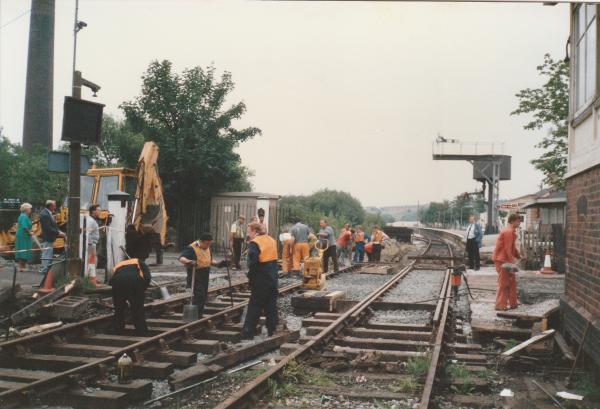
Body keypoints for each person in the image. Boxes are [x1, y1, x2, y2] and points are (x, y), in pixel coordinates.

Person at [242, 222, 279, 338]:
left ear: (254, 231)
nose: (248, 234)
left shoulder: (255, 243)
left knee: (255, 306)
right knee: (271, 305)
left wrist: (250, 277)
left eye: (249, 231)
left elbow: (253, 263)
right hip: (272, 278)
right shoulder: (272, 240)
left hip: (260, 278)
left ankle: (248, 333)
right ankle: (272, 330)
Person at [178, 233, 225, 318]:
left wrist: (219, 264)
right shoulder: (192, 248)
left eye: (210, 244)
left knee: (203, 296)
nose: (208, 246)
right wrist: (190, 262)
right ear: (201, 242)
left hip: (205, 274)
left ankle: (199, 315)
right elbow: (181, 258)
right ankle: (194, 316)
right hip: (196, 274)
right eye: (207, 244)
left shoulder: (207, 247)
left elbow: (209, 260)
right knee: (199, 295)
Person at [109, 257, 151, 335]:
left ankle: (118, 328)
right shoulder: (141, 262)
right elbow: (147, 277)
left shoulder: (119, 264)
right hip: (135, 280)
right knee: (137, 307)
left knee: (118, 307)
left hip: (117, 281)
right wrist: (143, 289)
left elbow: (111, 280)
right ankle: (141, 330)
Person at [492, 213, 521, 311]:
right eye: (518, 221)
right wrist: (512, 263)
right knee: (504, 283)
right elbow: (508, 249)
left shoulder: (510, 231)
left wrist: (519, 256)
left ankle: (513, 304)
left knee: (511, 282)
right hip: (502, 260)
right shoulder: (508, 232)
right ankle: (500, 305)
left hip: (504, 259)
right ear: (513, 221)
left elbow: (512, 248)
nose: (519, 222)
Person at [39, 200, 65, 279]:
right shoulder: (45, 215)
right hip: (48, 237)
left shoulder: (47, 213)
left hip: (49, 237)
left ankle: (46, 268)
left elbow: (52, 225)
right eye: (54, 205)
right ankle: (45, 269)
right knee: (47, 253)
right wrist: (58, 233)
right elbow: (48, 228)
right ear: (50, 206)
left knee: (48, 252)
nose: (55, 207)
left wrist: (58, 231)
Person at [84, 205, 100, 283]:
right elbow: (87, 232)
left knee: (91, 262)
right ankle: (91, 279)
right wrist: (90, 243)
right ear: (93, 211)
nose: (99, 212)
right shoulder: (91, 221)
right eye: (98, 210)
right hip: (91, 244)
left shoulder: (91, 219)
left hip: (91, 244)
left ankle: (90, 278)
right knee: (92, 262)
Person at [15, 203, 33, 271]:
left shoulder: (25, 216)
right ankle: (21, 267)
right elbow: (24, 227)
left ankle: (23, 266)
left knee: (25, 251)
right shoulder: (23, 216)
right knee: (22, 251)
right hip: (22, 235)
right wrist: (29, 232)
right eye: (30, 208)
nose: (31, 210)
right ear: (26, 209)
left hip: (25, 236)